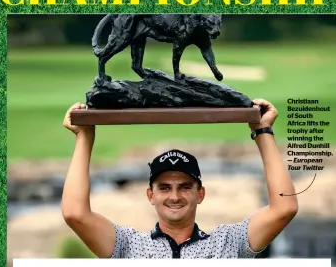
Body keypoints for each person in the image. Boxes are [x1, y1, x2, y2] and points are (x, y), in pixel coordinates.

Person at [62, 99, 298, 259]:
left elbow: (284, 208)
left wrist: (263, 132)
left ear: (200, 194)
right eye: (165, 187)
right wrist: (85, 137)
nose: (174, 196)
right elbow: (75, 214)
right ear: (150, 195)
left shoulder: (229, 242)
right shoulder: (127, 245)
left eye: (185, 187)